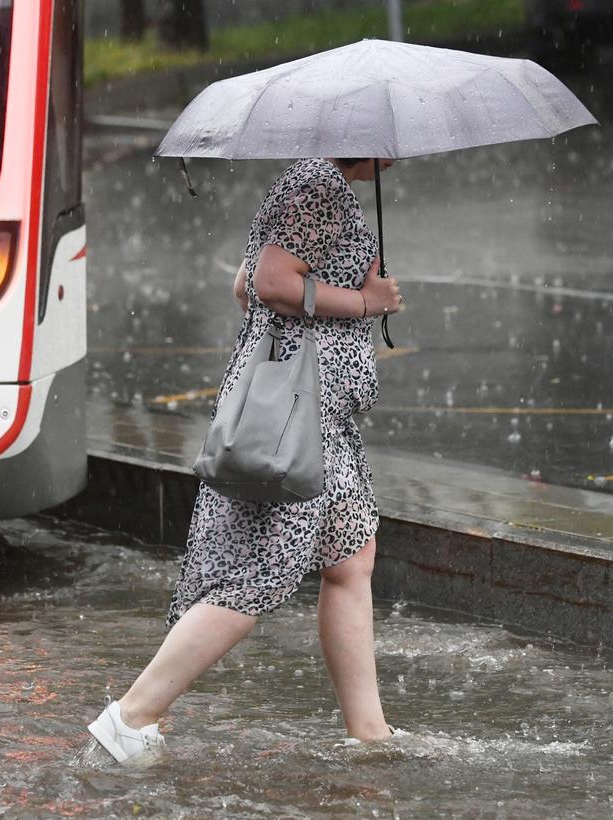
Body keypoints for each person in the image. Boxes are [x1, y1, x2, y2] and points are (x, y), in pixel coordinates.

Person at [87, 157, 404, 764]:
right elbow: (271, 284)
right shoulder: (317, 185)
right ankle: (132, 716)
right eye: (390, 144)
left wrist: (343, 287)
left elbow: (244, 285)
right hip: (295, 417)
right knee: (258, 573)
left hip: (317, 415)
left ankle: (369, 733)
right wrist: (366, 302)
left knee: (350, 555)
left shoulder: (312, 183)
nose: (398, 155)